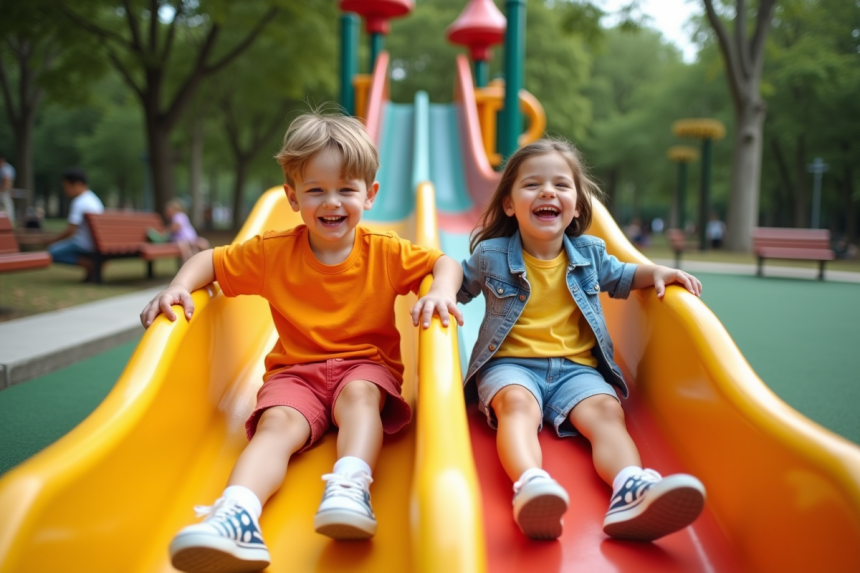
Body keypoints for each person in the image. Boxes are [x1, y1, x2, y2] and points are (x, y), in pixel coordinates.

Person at [140, 111, 464, 573]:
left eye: (346, 190)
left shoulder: (385, 250)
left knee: (360, 396)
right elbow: (210, 260)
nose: (332, 202)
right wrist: (178, 286)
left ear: (369, 194)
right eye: (316, 191)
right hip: (296, 374)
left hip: (363, 366)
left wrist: (441, 291)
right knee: (275, 425)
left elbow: (443, 263)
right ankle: (237, 513)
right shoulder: (273, 252)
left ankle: (350, 485)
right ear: (293, 197)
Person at [458, 139, 706, 542]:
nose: (547, 192)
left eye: (561, 185)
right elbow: (458, 283)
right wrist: (439, 289)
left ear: (575, 205)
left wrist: (657, 272)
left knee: (607, 410)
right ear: (509, 205)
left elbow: (624, 275)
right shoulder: (492, 255)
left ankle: (630, 486)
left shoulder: (589, 253)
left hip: (575, 370)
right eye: (532, 185)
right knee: (517, 406)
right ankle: (531, 484)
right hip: (510, 366)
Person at [46, 168, 104, 280]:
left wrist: (53, 240)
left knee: (52, 251)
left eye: (66, 186)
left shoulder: (79, 202)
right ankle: (92, 266)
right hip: (97, 243)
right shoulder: (94, 199)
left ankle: (90, 265)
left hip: (85, 244)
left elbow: (71, 231)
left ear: (77, 184)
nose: (65, 190)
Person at [0, 156, 16, 224]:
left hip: (4, 191)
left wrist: (1, 190)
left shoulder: (5, 168)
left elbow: (7, 180)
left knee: (7, 206)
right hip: (5, 190)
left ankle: (8, 222)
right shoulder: (8, 168)